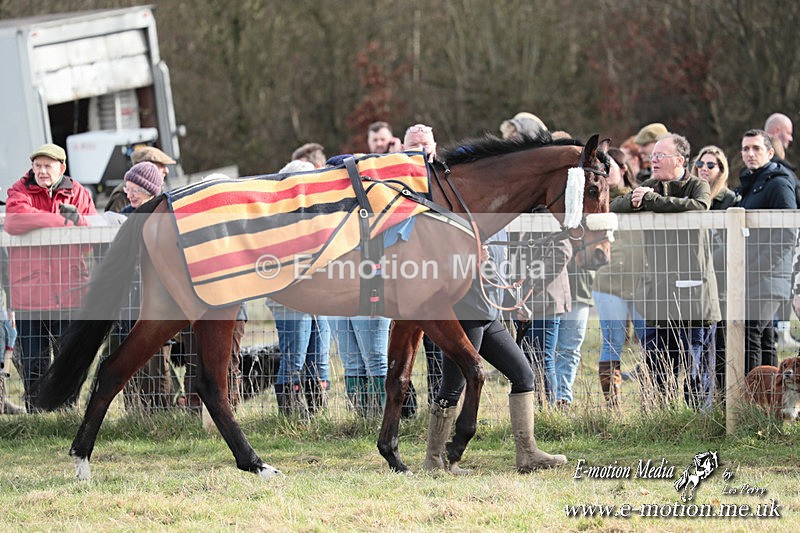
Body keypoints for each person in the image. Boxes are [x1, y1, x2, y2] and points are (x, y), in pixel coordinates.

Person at [424, 228, 567, 474]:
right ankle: (435, 460)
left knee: (524, 376)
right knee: (453, 386)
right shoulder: (462, 217)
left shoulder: (499, 224)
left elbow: (498, 270)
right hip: (465, 312)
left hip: (489, 314)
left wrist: (513, 303)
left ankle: (528, 453)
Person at [611, 133, 720, 410]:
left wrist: (652, 201)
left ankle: (700, 420)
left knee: (696, 367)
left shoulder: (697, 185)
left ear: (680, 160)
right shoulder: (650, 186)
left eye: (660, 155)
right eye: (653, 155)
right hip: (658, 296)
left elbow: (697, 208)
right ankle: (661, 418)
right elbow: (616, 205)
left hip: (695, 297)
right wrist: (638, 201)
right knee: (659, 365)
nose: (653, 160)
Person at [4, 143, 97, 411]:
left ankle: (67, 412)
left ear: (62, 168)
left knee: (69, 358)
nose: (42, 171)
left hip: (69, 292)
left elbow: (88, 239)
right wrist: (59, 219)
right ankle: (37, 414)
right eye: (37, 166)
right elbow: (14, 221)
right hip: (29, 295)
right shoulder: (19, 189)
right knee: (33, 361)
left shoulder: (79, 193)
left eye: (48, 166)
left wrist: (74, 222)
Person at [267, 159, 332, 416]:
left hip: (318, 297)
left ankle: (317, 412)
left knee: (319, 358)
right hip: (290, 299)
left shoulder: (316, 215)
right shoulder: (278, 220)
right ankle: (291, 414)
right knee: (294, 358)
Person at [110, 162, 175, 412]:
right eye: (128, 188)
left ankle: (160, 412)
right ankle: (134, 411)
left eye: (136, 188)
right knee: (128, 355)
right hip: (129, 298)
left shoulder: (165, 212)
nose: (130, 193)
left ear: (151, 189)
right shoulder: (123, 214)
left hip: (159, 298)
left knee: (158, 357)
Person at [736, 129, 797, 374]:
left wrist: (755, 266)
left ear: (770, 152)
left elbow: (787, 234)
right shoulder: (750, 184)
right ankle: (771, 400)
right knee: (763, 338)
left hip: (768, 277)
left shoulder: (779, 183)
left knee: (752, 332)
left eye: (756, 148)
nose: (750, 153)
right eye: (745, 148)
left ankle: (752, 399)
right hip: (752, 275)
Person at [592, 149, 646, 408]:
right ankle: (612, 405)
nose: (604, 170)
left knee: (650, 340)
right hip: (609, 282)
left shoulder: (643, 196)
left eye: (609, 166)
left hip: (640, 282)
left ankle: (654, 398)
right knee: (612, 342)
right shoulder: (595, 200)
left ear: (623, 169)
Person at [689, 145, 739, 394]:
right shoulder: (691, 196)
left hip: (721, 279)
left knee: (720, 345)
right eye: (701, 164)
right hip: (694, 280)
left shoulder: (729, 199)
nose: (704, 169)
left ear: (721, 170)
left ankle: (723, 397)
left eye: (711, 165)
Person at [105, 146, 175, 213]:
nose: (166, 170)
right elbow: (115, 223)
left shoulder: (158, 191)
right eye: (160, 165)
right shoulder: (122, 196)